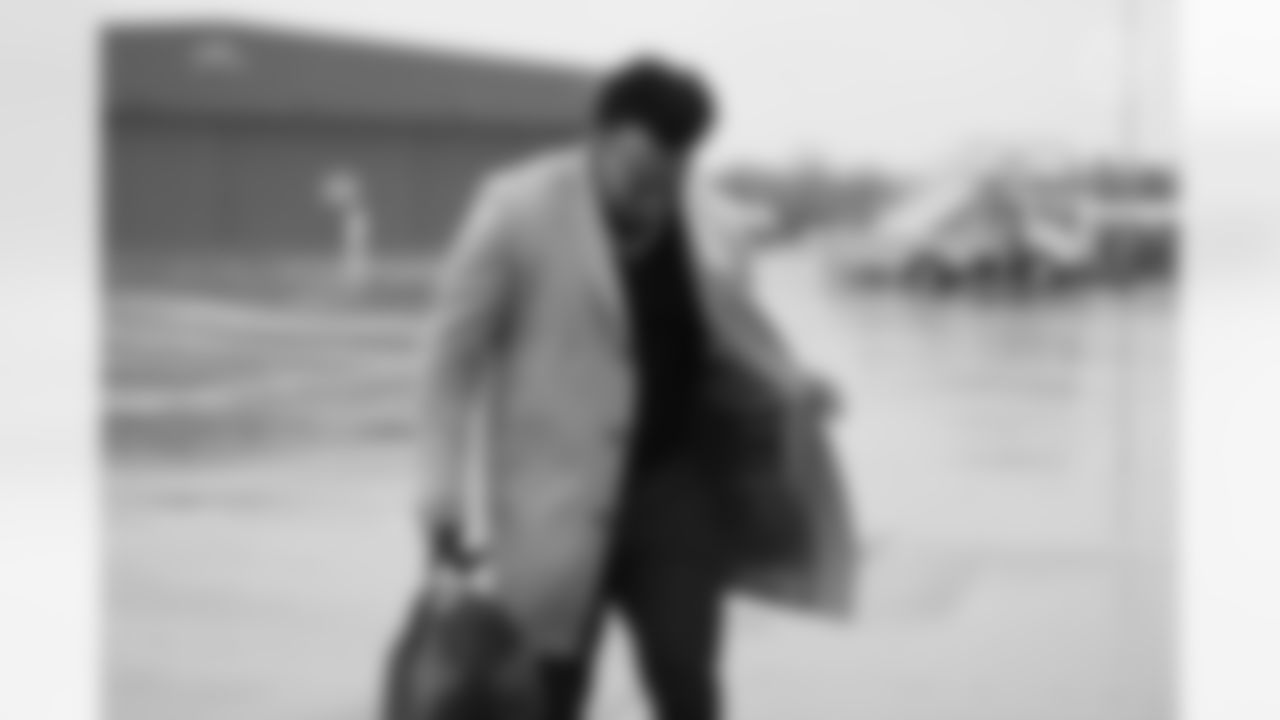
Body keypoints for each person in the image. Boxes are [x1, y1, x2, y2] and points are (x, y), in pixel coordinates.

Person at [418, 57, 856, 720]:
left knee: (688, 686)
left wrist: (788, 384)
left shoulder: (712, 223)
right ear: (600, 137)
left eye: (671, 174)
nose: (653, 193)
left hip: (675, 492)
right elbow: (450, 362)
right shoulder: (515, 210)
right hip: (554, 501)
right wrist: (440, 490)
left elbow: (728, 336)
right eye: (637, 172)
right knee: (548, 693)